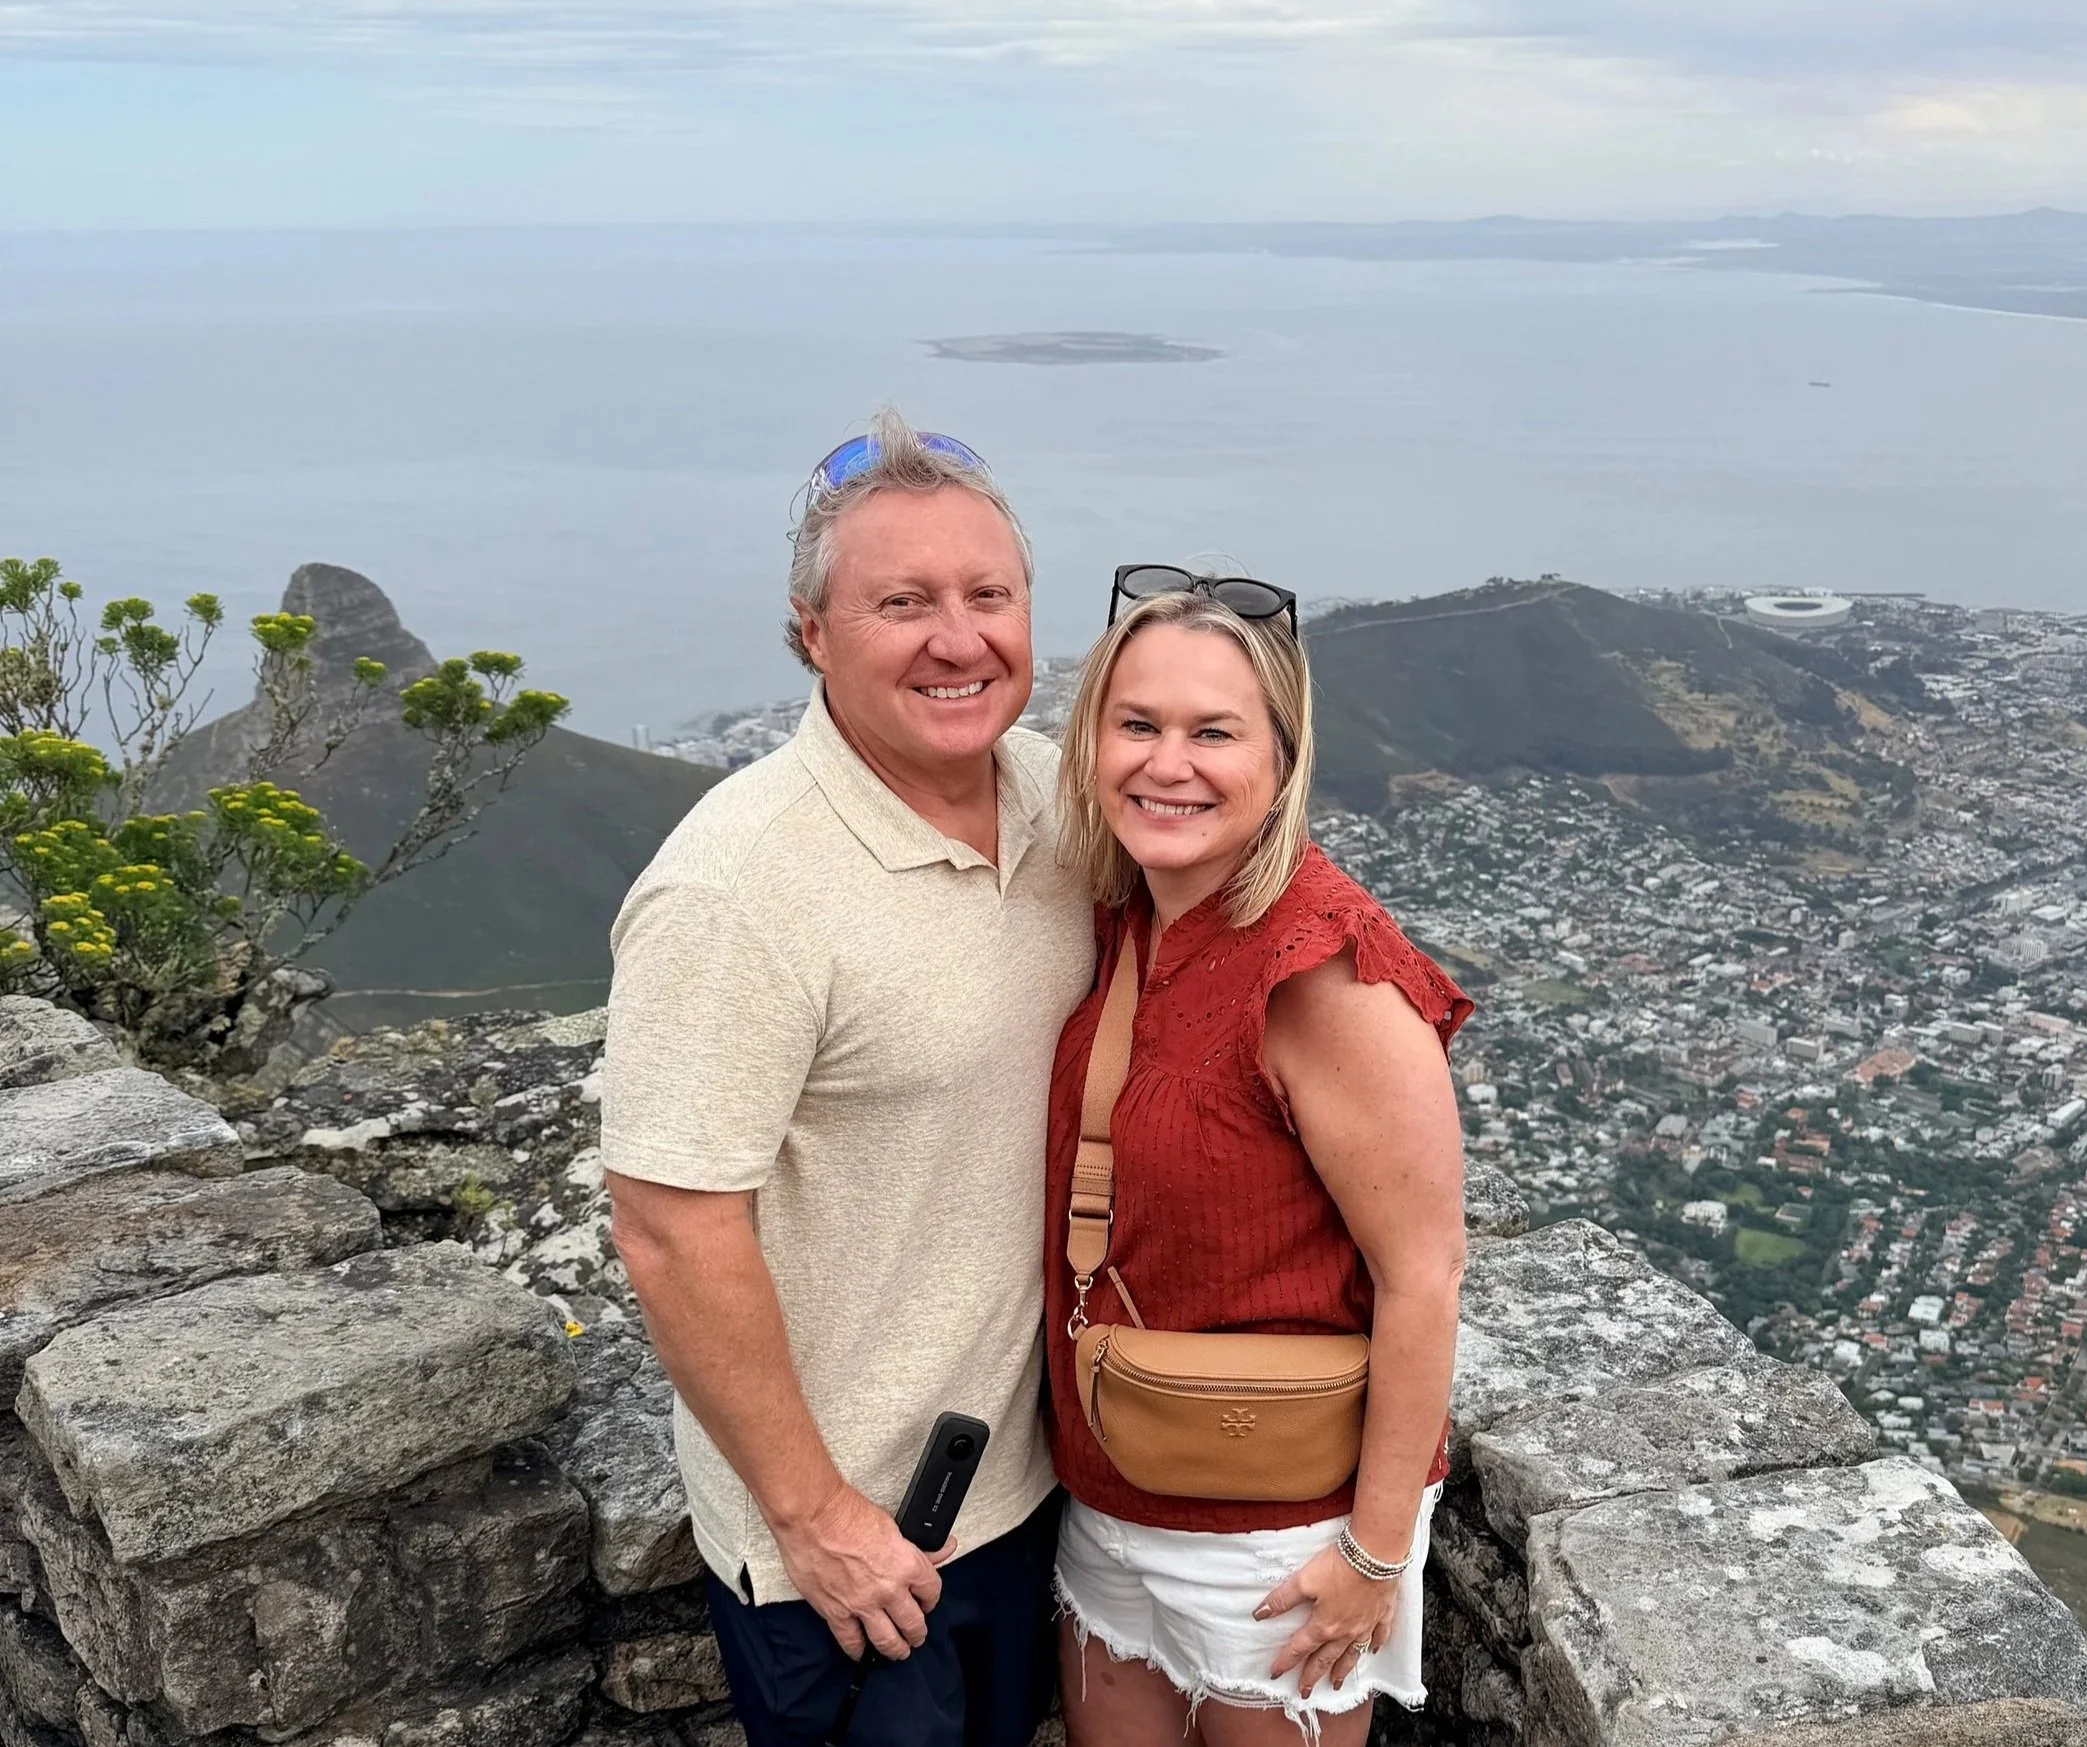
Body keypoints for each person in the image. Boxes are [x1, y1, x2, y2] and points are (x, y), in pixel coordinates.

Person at [600, 411, 1096, 1747]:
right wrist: (818, 1518)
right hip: (858, 1546)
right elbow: (667, 1224)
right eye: (902, 601)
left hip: (1026, 1482)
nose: (958, 636)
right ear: (813, 631)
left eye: (989, 594)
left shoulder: (1060, 804)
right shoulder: (738, 888)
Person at [1041, 573, 1473, 1745]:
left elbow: (1424, 1272)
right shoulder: (1137, 912)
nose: (1165, 763)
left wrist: (1375, 1554)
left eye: (1212, 733)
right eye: (1136, 725)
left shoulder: (1320, 972)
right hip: (1110, 1493)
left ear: (1281, 759)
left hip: (1281, 1541)